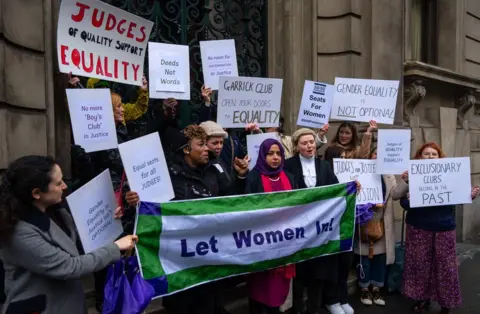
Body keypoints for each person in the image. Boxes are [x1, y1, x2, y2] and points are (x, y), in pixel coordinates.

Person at [0, 155, 137, 314]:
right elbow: (69, 266)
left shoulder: (55, 210)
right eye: (58, 183)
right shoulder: (20, 232)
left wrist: (108, 219)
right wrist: (116, 247)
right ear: (37, 193)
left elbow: (77, 244)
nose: (65, 186)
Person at [399, 142, 480, 314]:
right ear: (419, 157)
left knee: (446, 268)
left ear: (440, 157)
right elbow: (403, 203)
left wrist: (470, 195)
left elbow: (458, 197)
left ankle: (446, 303)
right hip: (419, 228)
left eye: (433, 154)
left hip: (444, 228)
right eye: (426, 154)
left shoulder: (450, 175)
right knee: (420, 266)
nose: (430, 157)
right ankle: (422, 299)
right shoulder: (412, 176)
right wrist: (410, 196)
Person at [283, 129, 343, 314]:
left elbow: (335, 189)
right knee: (299, 271)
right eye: (304, 143)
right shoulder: (288, 165)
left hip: (319, 229)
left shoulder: (324, 166)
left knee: (319, 271)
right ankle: (298, 308)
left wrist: (350, 187)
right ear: (297, 146)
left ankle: (314, 308)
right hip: (298, 228)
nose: (309, 146)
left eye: (311, 142)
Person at [244, 138, 298, 314]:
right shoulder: (253, 177)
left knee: (277, 291)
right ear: (262, 155)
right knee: (260, 289)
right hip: (261, 243)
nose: (275, 157)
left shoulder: (290, 177)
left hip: (285, 243)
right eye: (270, 153)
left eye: (278, 153)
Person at [354, 147, 406, 307]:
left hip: (383, 224)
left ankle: (377, 288)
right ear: (370, 156)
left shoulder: (388, 174)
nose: (378, 157)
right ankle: (364, 288)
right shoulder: (359, 173)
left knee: (380, 258)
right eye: (375, 153)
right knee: (365, 258)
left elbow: (396, 194)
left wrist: (406, 181)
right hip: (365, 221)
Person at [265, 118, 329, 158]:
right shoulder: (261, 139)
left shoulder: (288, 140)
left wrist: (320, 134)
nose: (267, 125)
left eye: (271, 121)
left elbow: (306, 147)